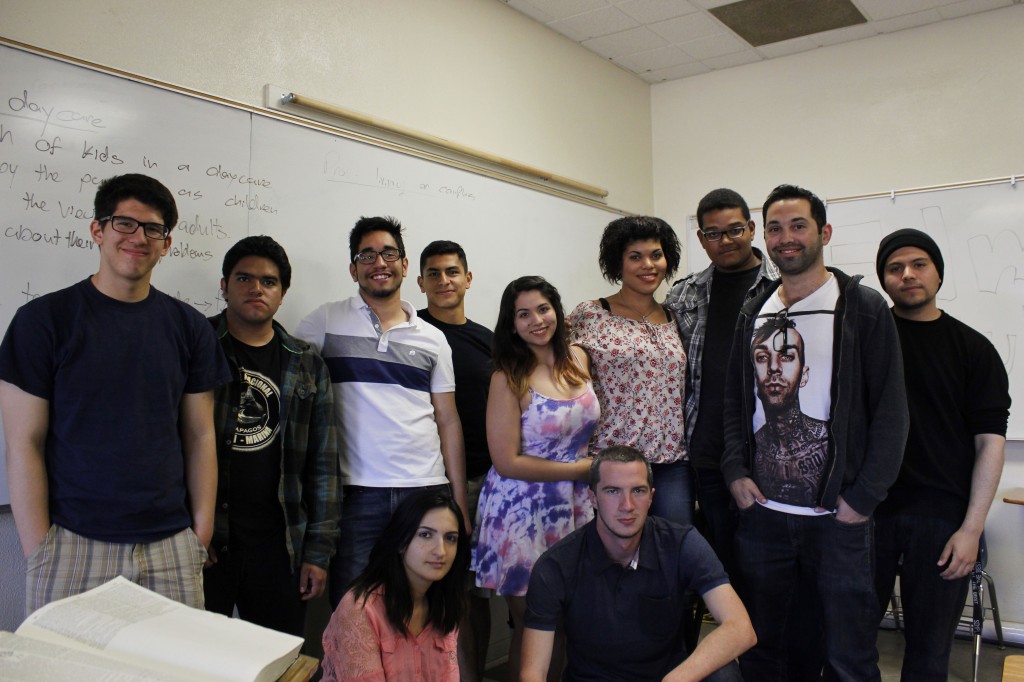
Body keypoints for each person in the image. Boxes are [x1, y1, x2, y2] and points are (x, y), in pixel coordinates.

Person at [0, 173, 230, 614]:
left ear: (166, 243)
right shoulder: (43, 321)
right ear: (97, 230)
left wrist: (198, 536)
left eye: (153, 228)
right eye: (124, 223)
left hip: (170, 548)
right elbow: (22, 442)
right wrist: (41, 548)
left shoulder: (190, 329)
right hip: (72, 544)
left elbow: (200, 437)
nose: (138, 237)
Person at [721, 184, 908, 682]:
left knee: (849, 656)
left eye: (798, 225)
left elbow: (892, 413)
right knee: (766, 651)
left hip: (838, 522)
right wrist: (735, 471)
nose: (786, 238)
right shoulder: (753, 309)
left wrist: (864, 498)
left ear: (823, 232)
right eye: (775, 228)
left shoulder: (862, 308)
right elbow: (733, 402)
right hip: (762, 519)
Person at [295, 216, 468, 609]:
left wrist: (456, 499)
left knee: (422, 609)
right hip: (355, 494)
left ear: (405, 266)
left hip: (425, 491)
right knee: (353, 611)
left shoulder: (433, 338)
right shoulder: (324, 321)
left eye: (389, 253)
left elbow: (448, 420)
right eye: (367, 255)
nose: (380, 263)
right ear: (353, 268)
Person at [873, 228, 1010, 681]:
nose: (907, 275)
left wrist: (972, 528)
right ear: (884, 279)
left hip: (942, 520)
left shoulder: (974, 350)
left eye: (918, 265)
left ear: (937, 273)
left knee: (929, 654)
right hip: (865, 513)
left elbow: (990, 441)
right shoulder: (866, 342)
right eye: (895, 268)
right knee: (847, 643)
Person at [521, 445, 756, 682]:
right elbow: (533, 672)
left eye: (638, 491)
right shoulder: (557, 564)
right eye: (613, 491)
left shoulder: (681, 543)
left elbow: (740, 628)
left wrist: (677, 679)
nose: (627, 505)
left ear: (652, 496)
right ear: (593, 497)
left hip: (666, 677)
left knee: (724, 675)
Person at [204, 235, 340, 636]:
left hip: (280, 545)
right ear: (224, 284)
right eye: (244, 278)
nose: (256, 289)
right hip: (209, 539)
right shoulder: (196, 345)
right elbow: (168, 446)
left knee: (279, 660)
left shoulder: (307, 364)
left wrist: (318, 552)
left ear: (282, 293)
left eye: (269, 281)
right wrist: (189, 529)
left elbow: (323, 465)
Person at [471, 275, 597, 682]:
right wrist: (582, 470)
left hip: (576, 509)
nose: (536, 320)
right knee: (535, 626)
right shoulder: (507, 377)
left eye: (543, 309)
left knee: (570, 621)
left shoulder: (578, 358)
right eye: (522, 314)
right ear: (511, 325)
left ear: (556, 311)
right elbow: (506, 461)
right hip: (521, 513)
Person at [664, 188, 774, 576]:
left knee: (769, 565)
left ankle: (764, 637)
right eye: (713, 233)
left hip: (769, 454)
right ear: (701, 239)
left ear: (752, 228)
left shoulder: (783, 290)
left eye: (734, 230)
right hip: (707, 453)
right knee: (723, 563)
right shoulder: (683, 294)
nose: (725, 241)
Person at [568, 216, 693, 526]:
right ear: (618, 263)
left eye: (656, 255)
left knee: (675, 550)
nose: (648, 265)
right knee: (613, 555)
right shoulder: (591, 314)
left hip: (670, 462)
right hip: (612, 462)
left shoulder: (677, 317)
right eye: (635, 257)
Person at [416, 240, 494, 682]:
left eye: (452, 272)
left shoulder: (488, 340)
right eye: (434, 273)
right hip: (435, 481)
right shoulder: (414, 332)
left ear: (468, 278)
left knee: (477, 595)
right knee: (447, 594)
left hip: (490, 479)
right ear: (420, 281)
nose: (443, 281)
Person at [321, 490, 469, 682]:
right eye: (425, 535)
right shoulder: (360, 609)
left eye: (451, 538)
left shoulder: (444, 603)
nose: (441, 551)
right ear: (401, 541)